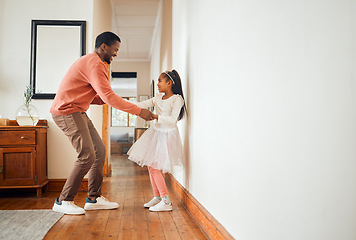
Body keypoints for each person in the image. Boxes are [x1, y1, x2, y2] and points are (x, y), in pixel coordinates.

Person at [50, 31, 155, 215]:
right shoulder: (94, 64)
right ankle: (63, 200)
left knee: (99, 150)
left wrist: (125, 103)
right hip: (67, 111)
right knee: (87, 155)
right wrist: (138, 111)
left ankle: (94, 198)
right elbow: (108, 97)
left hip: (78, 110)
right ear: (104, 46)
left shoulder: (96, 64)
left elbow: (100, 97)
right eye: (115, 50)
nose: (116, 54)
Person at [127, 69, 186, 212]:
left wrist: (156, 117)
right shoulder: (158, 98)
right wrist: (122, 104)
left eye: (160, 81)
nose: (158, 84)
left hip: (168, 135)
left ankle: (166, 201)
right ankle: (158, 197)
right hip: (156, 133)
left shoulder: (177, 99)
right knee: (150, 166)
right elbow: (142, 104)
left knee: (155, 168)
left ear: (169, 83)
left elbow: (173, 120)